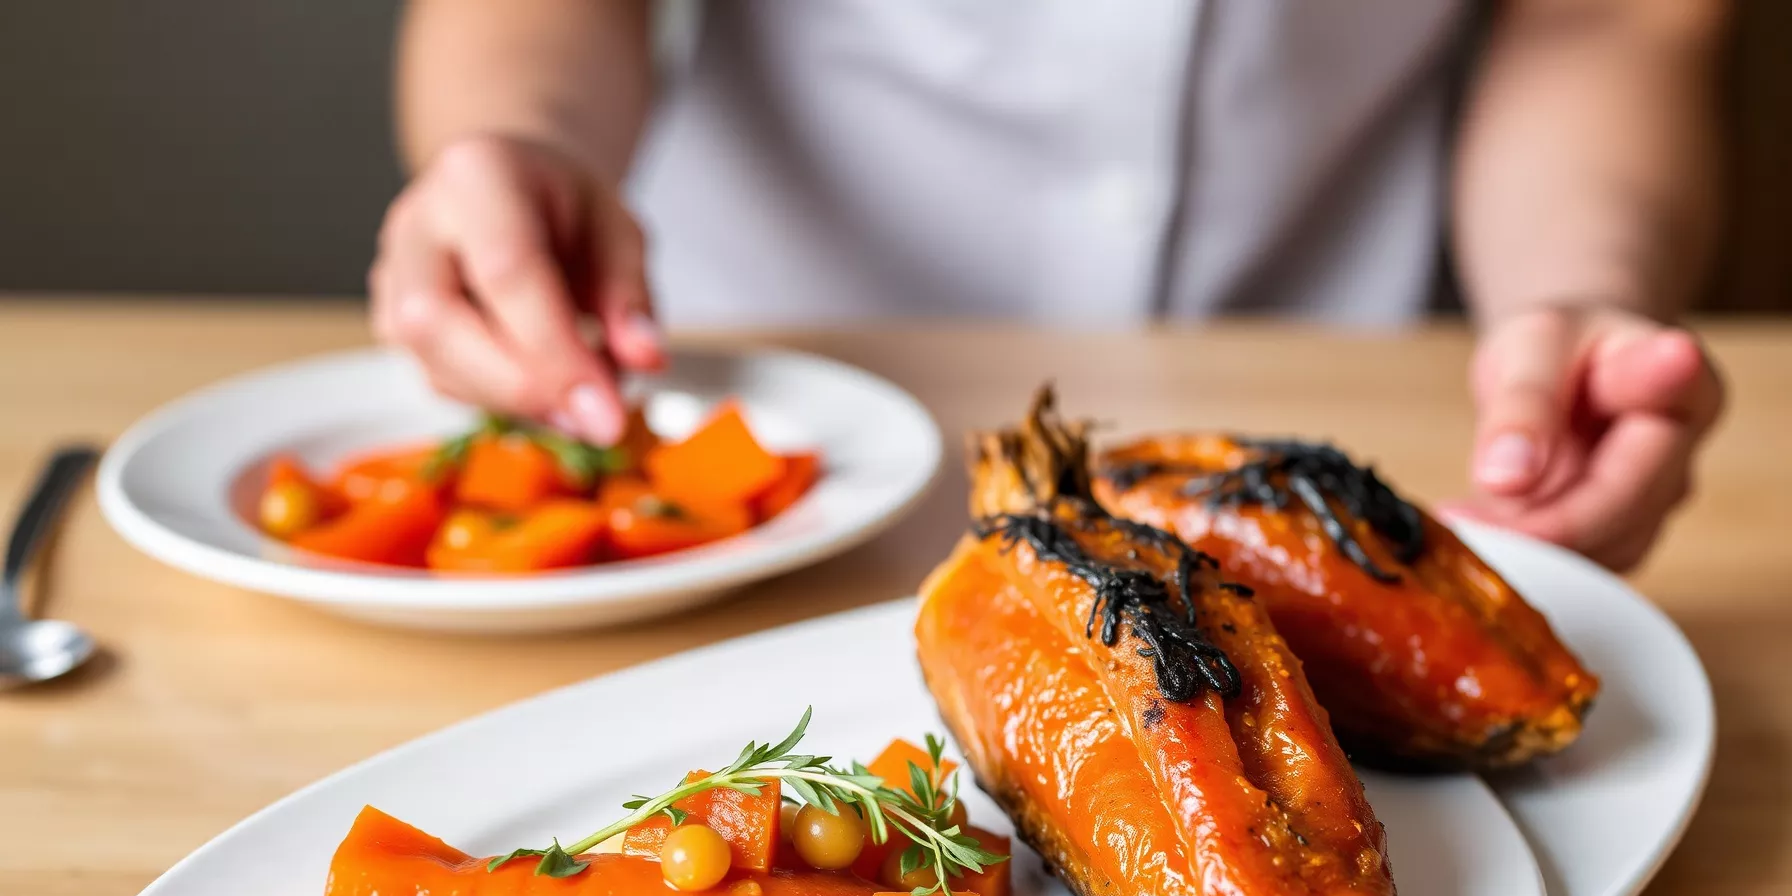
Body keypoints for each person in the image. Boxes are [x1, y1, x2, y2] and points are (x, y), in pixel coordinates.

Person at [369, 0, 1729, 571]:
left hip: (1343, 394)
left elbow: (1603, 18)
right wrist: (518, 145)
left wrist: (1581, 291)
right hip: (743, 414)